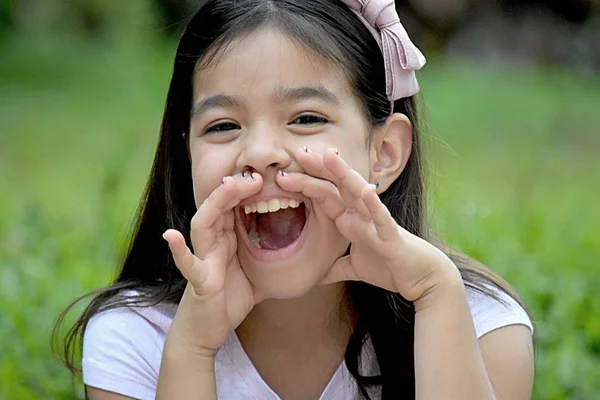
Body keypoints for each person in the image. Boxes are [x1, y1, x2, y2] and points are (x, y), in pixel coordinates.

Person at [54, 0, 535, 398]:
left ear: (384, 152)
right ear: (187, 158)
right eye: (223, 126)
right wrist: (193, 349)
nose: (261, 153)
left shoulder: (480, 327)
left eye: (306, 118)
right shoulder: (138, 338)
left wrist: (436, 296)